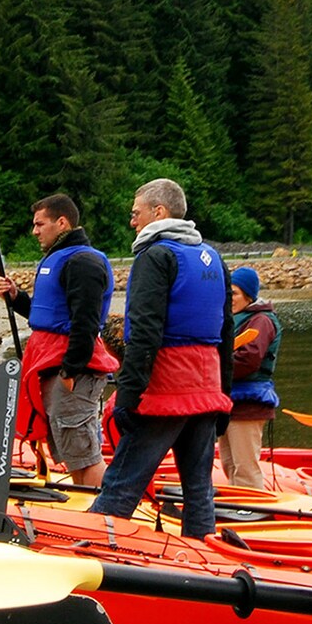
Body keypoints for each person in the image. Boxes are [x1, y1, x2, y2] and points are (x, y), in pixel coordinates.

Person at [85, 178, 234, 538]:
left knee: (122, 483)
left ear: (159, 212)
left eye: (136, 214)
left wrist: (129, 395)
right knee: (198, 491)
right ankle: (204, 557)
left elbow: (146, 331)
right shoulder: (213, 258)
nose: (132, 222)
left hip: (167, 390)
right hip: (207, 389)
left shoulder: (155, 256)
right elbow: (226, 332)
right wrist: (225, 398)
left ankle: (89, 544)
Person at [0, 194, 121, 487]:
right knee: (70, 449)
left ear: (62, 222)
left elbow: (85, 322)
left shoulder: (83, 262)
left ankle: (105, 516)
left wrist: (70, 372)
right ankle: (87, 506)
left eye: (40, 224)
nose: (34, 230)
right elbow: (48, 315)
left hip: (71, 368)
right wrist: (16, 298)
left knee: (83, 454)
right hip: (50, 364)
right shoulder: (60, 259)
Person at [220, 266, 281, 489]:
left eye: (234, 293)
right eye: (227, 293)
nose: (230, 298)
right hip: (230, 402)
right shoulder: (234, 319)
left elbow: (248, 360)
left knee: (245, 466)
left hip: (249, 403)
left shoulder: (261, 321)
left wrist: (213, 370)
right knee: (228, 463)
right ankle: (238, 508)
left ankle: (252, 511)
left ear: (248, 295)